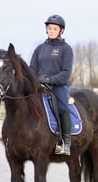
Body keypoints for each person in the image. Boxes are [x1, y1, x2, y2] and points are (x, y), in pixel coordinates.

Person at [30, 14, 74, 155]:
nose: (52, 31)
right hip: (39, 85)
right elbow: (32, 68)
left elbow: (66, 72)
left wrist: (50, 80)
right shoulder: (39, 49)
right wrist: (35, 79)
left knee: (62, 107)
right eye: (50, 28)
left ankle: (66, 142)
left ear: (61, 31)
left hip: (58, 86)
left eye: (55, 29)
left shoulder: (66, 49)